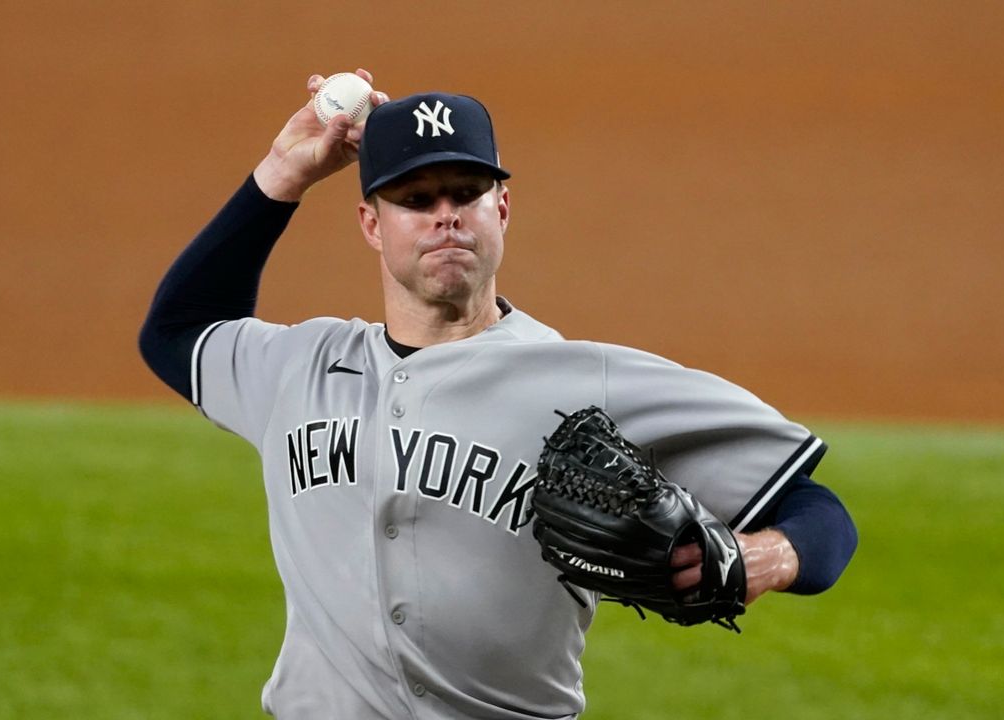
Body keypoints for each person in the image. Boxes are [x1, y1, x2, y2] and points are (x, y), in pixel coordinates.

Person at [139, 69, 857, 720]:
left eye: (465, 194)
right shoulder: (301, 365)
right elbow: (175, 331)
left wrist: (763, 558)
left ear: (502, 209)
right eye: (416, 199)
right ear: (371, 224)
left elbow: (820, 515)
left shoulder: (589, 382)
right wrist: (280, 175)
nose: (445, 214)